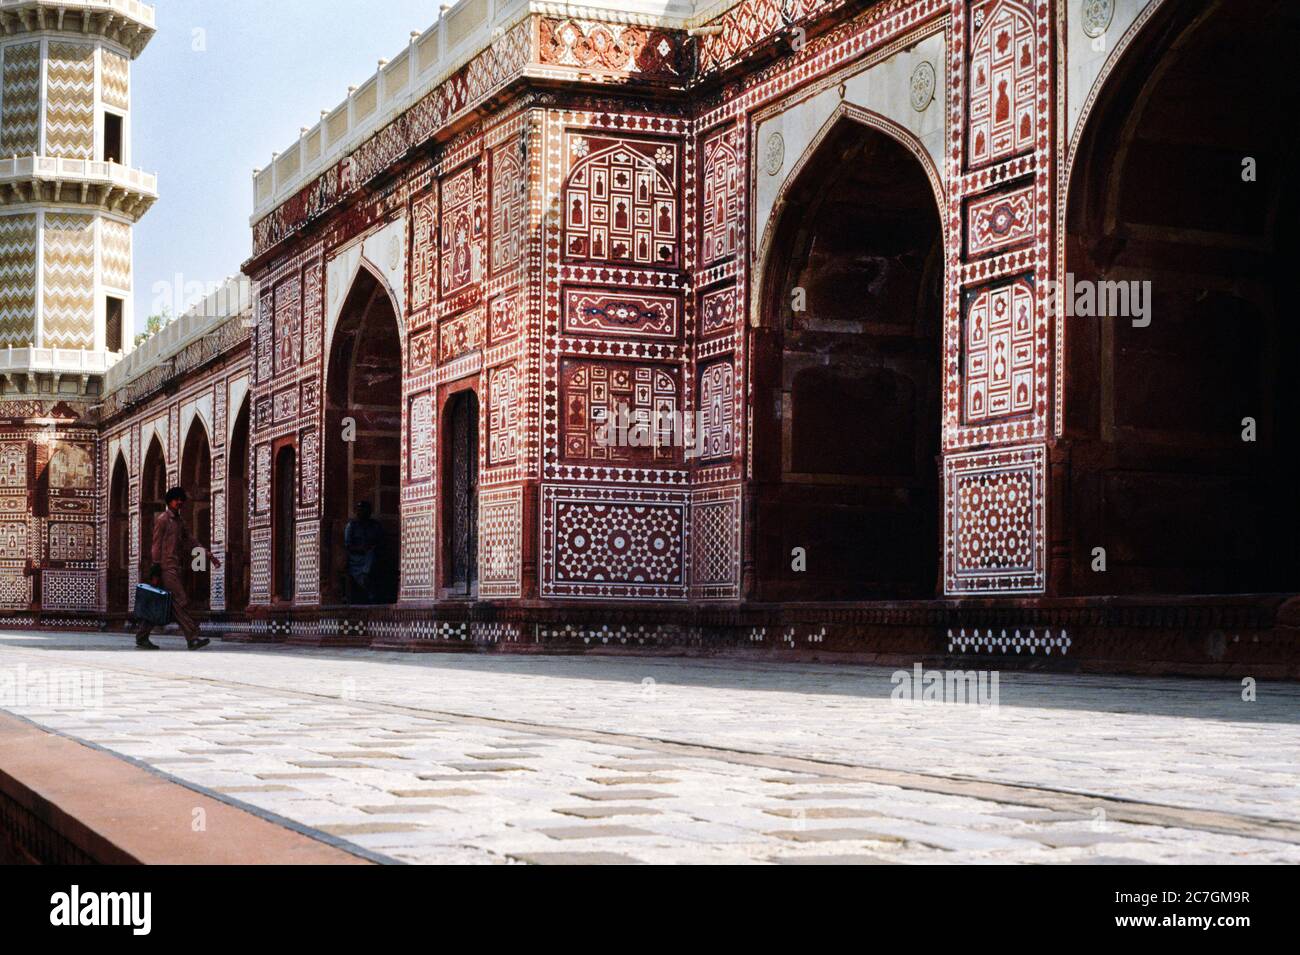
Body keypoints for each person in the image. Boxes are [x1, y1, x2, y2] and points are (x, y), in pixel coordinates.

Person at [136, 486, 220, 650]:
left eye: (181, 499)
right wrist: (155, 569)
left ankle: (142, 637)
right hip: (165, 567)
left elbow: (191, 542)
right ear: (169, 501)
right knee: (180, 599)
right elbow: (156, 545)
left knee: (159, 602)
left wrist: (209, 556)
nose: (179, 502)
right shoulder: (163, 520)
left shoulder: (180, 522)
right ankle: (192, 636)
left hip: (174, 566)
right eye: (176, 499)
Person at [344, 500, 382, 604]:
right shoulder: (351, 526)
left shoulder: (375, 526)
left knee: (372, 557)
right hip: (356, 559)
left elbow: (380, 542)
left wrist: (371, 547)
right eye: (359, 510)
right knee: (365, 573)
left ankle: (371, 592)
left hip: (371, 556)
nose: (361, 512)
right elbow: (348, 545)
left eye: (364, 510)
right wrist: (361, 548)